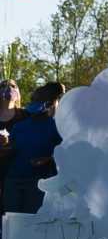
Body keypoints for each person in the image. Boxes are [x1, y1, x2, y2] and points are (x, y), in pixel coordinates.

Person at [1, 83, 63, 216]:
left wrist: (49, 159)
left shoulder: (57, 128)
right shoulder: (19, 127)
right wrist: (6, 149)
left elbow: (65, 154)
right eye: (35, 101)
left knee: (33, 223)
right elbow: (12, 150)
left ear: (52, 104)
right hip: (13, 181)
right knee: (11, 223)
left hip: (39, 182)